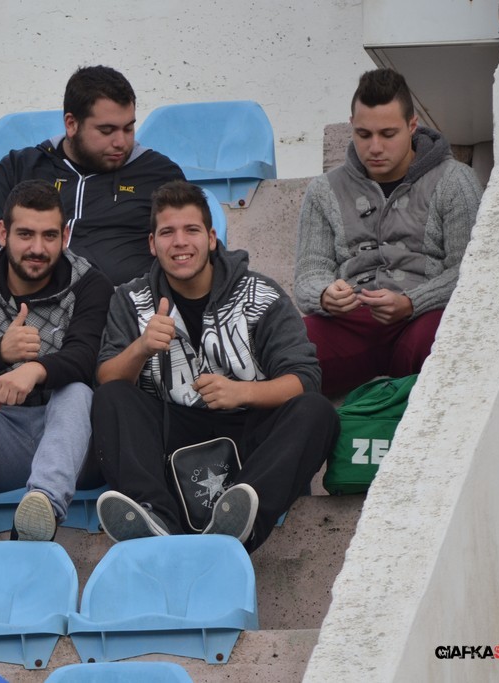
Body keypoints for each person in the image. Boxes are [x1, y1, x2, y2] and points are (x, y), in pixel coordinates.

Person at [91, 181, 339, 550]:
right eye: (167, 232)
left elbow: (305, 378)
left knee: (317, 411)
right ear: (152, 243)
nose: (180, 242)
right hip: (169, 434)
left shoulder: (261, 294)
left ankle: (240, 523)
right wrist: (140, 348)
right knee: (111, 399)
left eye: (191, 230)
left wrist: (243, 392)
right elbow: (106, 379)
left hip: (248, 431)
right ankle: (156, 519)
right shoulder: (130, 300)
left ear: (211, 238)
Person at [0, 180, 112, 546]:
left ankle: (42, 507)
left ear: (65, 236)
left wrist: (36, 369)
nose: (37, 249)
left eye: (49, 236)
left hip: (71, 443)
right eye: (25, 234)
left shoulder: (90, 284)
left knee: (77, 391)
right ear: (3, 233)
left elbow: (86, 357)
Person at [294, 68, 483, 396]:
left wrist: (412, 302)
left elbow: (470, 273)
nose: (375, 147)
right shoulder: (324, 190)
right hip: (350, 321)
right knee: (291, 348)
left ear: (412, 126)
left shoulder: (455, 181)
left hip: (422, 318)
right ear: (351, 125)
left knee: (448, 338)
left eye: (388, 133)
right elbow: (309, 273)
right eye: (364, 134)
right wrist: (325, 294)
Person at [0, 65, 185, 286]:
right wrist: (20, 278)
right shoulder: (21, 167)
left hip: (120, 301)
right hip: (20, 292)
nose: (121, 142)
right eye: (106, 131)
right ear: (71, 124)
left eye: (128, 128)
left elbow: (187, 243)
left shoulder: (159, 175)